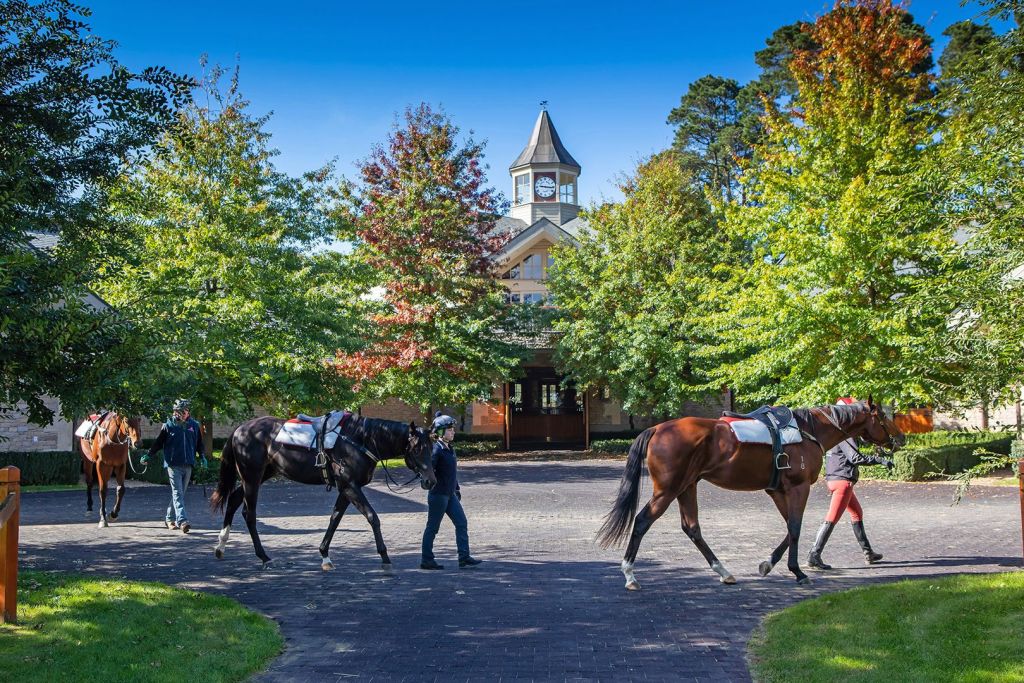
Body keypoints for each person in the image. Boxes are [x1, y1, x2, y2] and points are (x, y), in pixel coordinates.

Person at [807, 397, 894, 569]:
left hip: (835, 478)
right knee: (832, 518)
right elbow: (855, 457)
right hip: (843, 481)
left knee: (857, 513)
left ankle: (868, 552)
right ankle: (814, 555)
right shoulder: (845, 435)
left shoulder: (835, 432)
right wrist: (881, 461)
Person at [420, 412, 482, 570]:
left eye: (453, 429)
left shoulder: (449, 448)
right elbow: (428, 470)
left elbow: (452, 473)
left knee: (462, 523)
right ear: (440, 432)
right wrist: (425, 480)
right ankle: (426, 560)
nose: (453, 431)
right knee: (433, 527)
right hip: (438, 495)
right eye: (449, 429)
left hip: (450, 494)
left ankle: (464, 557)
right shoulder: (436, 450)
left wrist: (457, 489)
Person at [142, 398, 207, 533]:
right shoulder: (168, 425)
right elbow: (158, 443)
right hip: (173, 465)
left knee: (180, 493)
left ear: (188, 412)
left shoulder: (194, 425)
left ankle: (169, 518)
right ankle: (182, 521)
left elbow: (199, 444)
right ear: (174, 412)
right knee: (178, 493)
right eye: (178, 411)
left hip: (188, 464)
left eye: (183, 411)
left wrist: (202, 457)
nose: (181, 414)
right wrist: (149, 454)